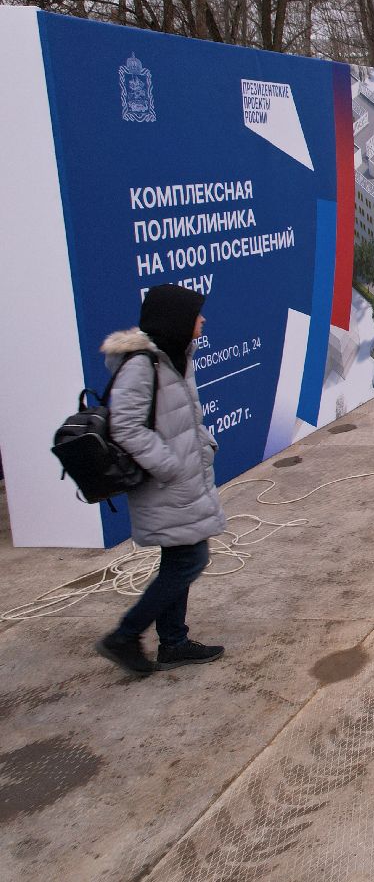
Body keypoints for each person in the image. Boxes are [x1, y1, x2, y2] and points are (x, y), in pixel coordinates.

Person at [95, 284, 227, 677]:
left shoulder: (177, 357)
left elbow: (186, 417)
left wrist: (204, 445)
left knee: (179, 558)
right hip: (166, 484)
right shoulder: (141, 365)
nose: (202, 320)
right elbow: (126, 427)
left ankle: (173, 642)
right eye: (195, 314)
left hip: (183, 480)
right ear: (176, 320)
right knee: (191, 559)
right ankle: (126, 634)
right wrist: (169, 464)